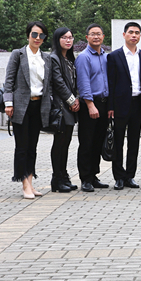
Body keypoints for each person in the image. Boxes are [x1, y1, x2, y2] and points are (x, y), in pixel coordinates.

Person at [4, 21, 53, 199]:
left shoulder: (46, 58)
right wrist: (8, 103)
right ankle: (24, 184)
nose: (37, 38)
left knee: (33, 147)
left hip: (39, 106)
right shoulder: (18, 54)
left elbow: (48, 84)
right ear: (28, 35)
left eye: (41, 35)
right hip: (20, 106)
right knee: (22, 146)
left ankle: (30, 183)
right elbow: (9, 80)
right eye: (34, 34)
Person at [107, 22, 141, 190]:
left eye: (137, 33)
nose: (134, 35)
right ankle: (119, 177)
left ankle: (130, 176)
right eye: (131, 32)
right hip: (119, 105)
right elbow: (110, 83)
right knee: (118, 142)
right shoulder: (114, 56)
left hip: (137, 103)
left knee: (134, 142)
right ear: (124, 35)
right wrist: (110, 106)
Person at [76, 23, 111, 192]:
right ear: (87, 38)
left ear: (103, 37)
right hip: (90, 105)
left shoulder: (105, 56)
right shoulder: (83, 57)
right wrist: (90, 104)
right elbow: (83, 82)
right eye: (92, 34)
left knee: (98, 141)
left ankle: (94, 175)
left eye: (99, 34)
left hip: (104, 103)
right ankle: (85, 178)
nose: (96, 37)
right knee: (87, 142)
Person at [49, 27, 80, 193]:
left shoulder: (69, 58)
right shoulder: (54, 58)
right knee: (59, 143)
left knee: (66, 143)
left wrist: (77, 99)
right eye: (64, 37)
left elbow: (75, 82)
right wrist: (72, 100)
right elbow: (58, 82)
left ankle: (63, 176)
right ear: (57, 39)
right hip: (61, 107)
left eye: (70, 37)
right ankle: (57, 178)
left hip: (70, 106)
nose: (68, 40)